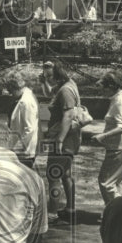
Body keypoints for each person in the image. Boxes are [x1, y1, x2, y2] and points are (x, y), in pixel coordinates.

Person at [43, 61, 82, 223]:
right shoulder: (68, 85)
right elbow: (49, 93)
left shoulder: (65, 90)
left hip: (63, 139)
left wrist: (59, 140)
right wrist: (43, 81)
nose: (48, 78)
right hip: (68, 139)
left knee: (53, 175)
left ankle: (52, 212)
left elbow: (68, 115)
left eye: (50, 76)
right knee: (65, 174)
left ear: (58, 75)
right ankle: (70, 208)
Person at [91, 73, 122, 206]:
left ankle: (116, 211)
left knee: (106, 181)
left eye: (103, 88)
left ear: (111, 86)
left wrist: (102, 136)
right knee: (118, 182)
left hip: (119, 147)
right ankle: (120, 211)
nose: (102, 91)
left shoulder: (119, 101)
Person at [7, 73, 39, 168]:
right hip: (21, 148)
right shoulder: (22, 98)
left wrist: (17, 147)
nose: (10, 94)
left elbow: (30, 128)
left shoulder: (26, 101)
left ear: (15, 87)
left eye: (11, 91)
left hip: (24, 151)